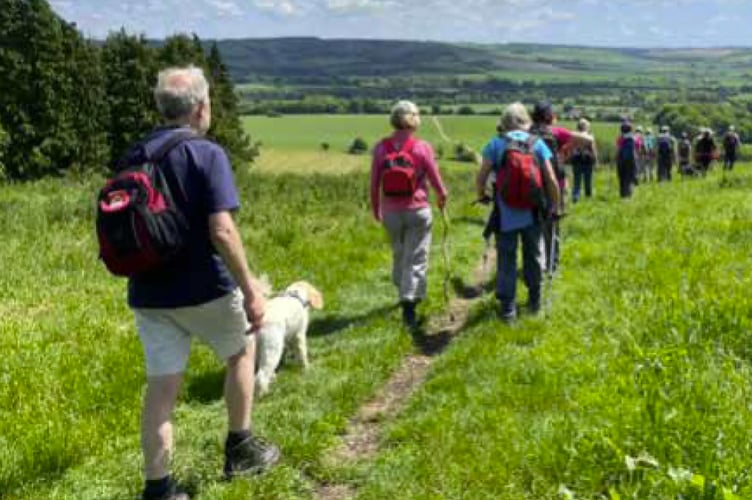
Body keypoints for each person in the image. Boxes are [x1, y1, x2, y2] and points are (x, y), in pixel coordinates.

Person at [123, 67, 279, 500]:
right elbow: (223, 231)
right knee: (241, 350)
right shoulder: (206, 153)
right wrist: (251, 291)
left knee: (161, 390)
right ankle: (240, 447)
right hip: (204, 287)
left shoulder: (135, 153)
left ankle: (158, 489)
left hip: (148, 291)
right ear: (200, 107)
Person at [476, 103, 560, 321]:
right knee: (533, 255)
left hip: (505, 214)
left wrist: (482, 195)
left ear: (504, 122)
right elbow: (550, 179)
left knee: (507, 258)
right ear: (526, 121)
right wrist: (554, 205)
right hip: (533, 211)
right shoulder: (537, 143)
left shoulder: (495, 144)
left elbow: (482, 175)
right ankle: (534, 301)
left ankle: (508, 309)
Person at [370, 100, 448, 329]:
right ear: (414, 119)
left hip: (391, 212)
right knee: (416, 257)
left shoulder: (381, 147)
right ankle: (409, 305)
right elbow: (434, 178)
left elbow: (374, 183)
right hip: (417, 210)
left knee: (399, 253)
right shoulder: (421, 147)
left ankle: (405, 290)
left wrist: (377, 209)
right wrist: (442, 196)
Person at [530, 101, 593, 272]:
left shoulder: (526, 133)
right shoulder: (556, 132)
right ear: (550, 116)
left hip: (530, 184)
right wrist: (570, 144)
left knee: (532, 226)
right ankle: (552, 266)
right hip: (554, 185)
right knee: (552, 224)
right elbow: (588, 140)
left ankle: (534, 263)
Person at [568, 118, 598, 203]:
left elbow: (571, 148)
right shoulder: (590, 137)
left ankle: (575, 197)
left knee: (577, 180)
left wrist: (569, 157)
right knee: (588, 180)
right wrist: (596, 160)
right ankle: (588, 197)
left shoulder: (575, 136)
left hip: (576, 159)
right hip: (587, 160)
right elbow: (593, 149)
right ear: (586, 127)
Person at [616, 122, 639, 198]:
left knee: (622, 177)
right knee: (630, 177)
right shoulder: (634, 138)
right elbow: (637, 148)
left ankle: (623, 194)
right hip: (631, 160)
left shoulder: (619, 138)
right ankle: (629, 193)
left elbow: (618, 149)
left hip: (621, 160)